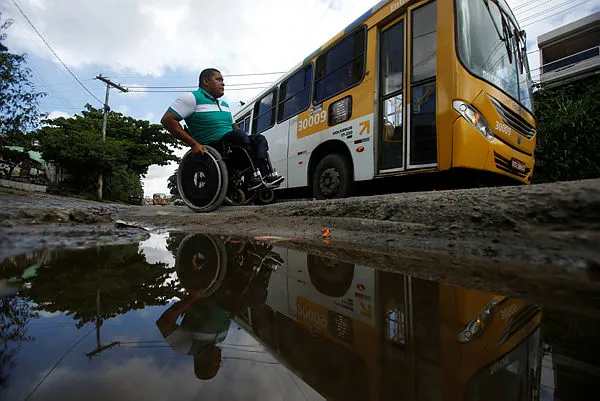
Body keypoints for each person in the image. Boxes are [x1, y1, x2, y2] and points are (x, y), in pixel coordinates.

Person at [161, 68, 284, 189]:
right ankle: (252, 176)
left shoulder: (224, 105)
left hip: (232, 142)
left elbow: (235, 128)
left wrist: (250, 141)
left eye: (222, 80)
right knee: (238, 136)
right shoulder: (191, 98)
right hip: (212, 145)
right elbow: (167, 120)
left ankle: (266, 174)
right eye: (218, 79)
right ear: (206, 81)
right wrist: (193, 144)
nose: (223, 83)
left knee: (259, 139)